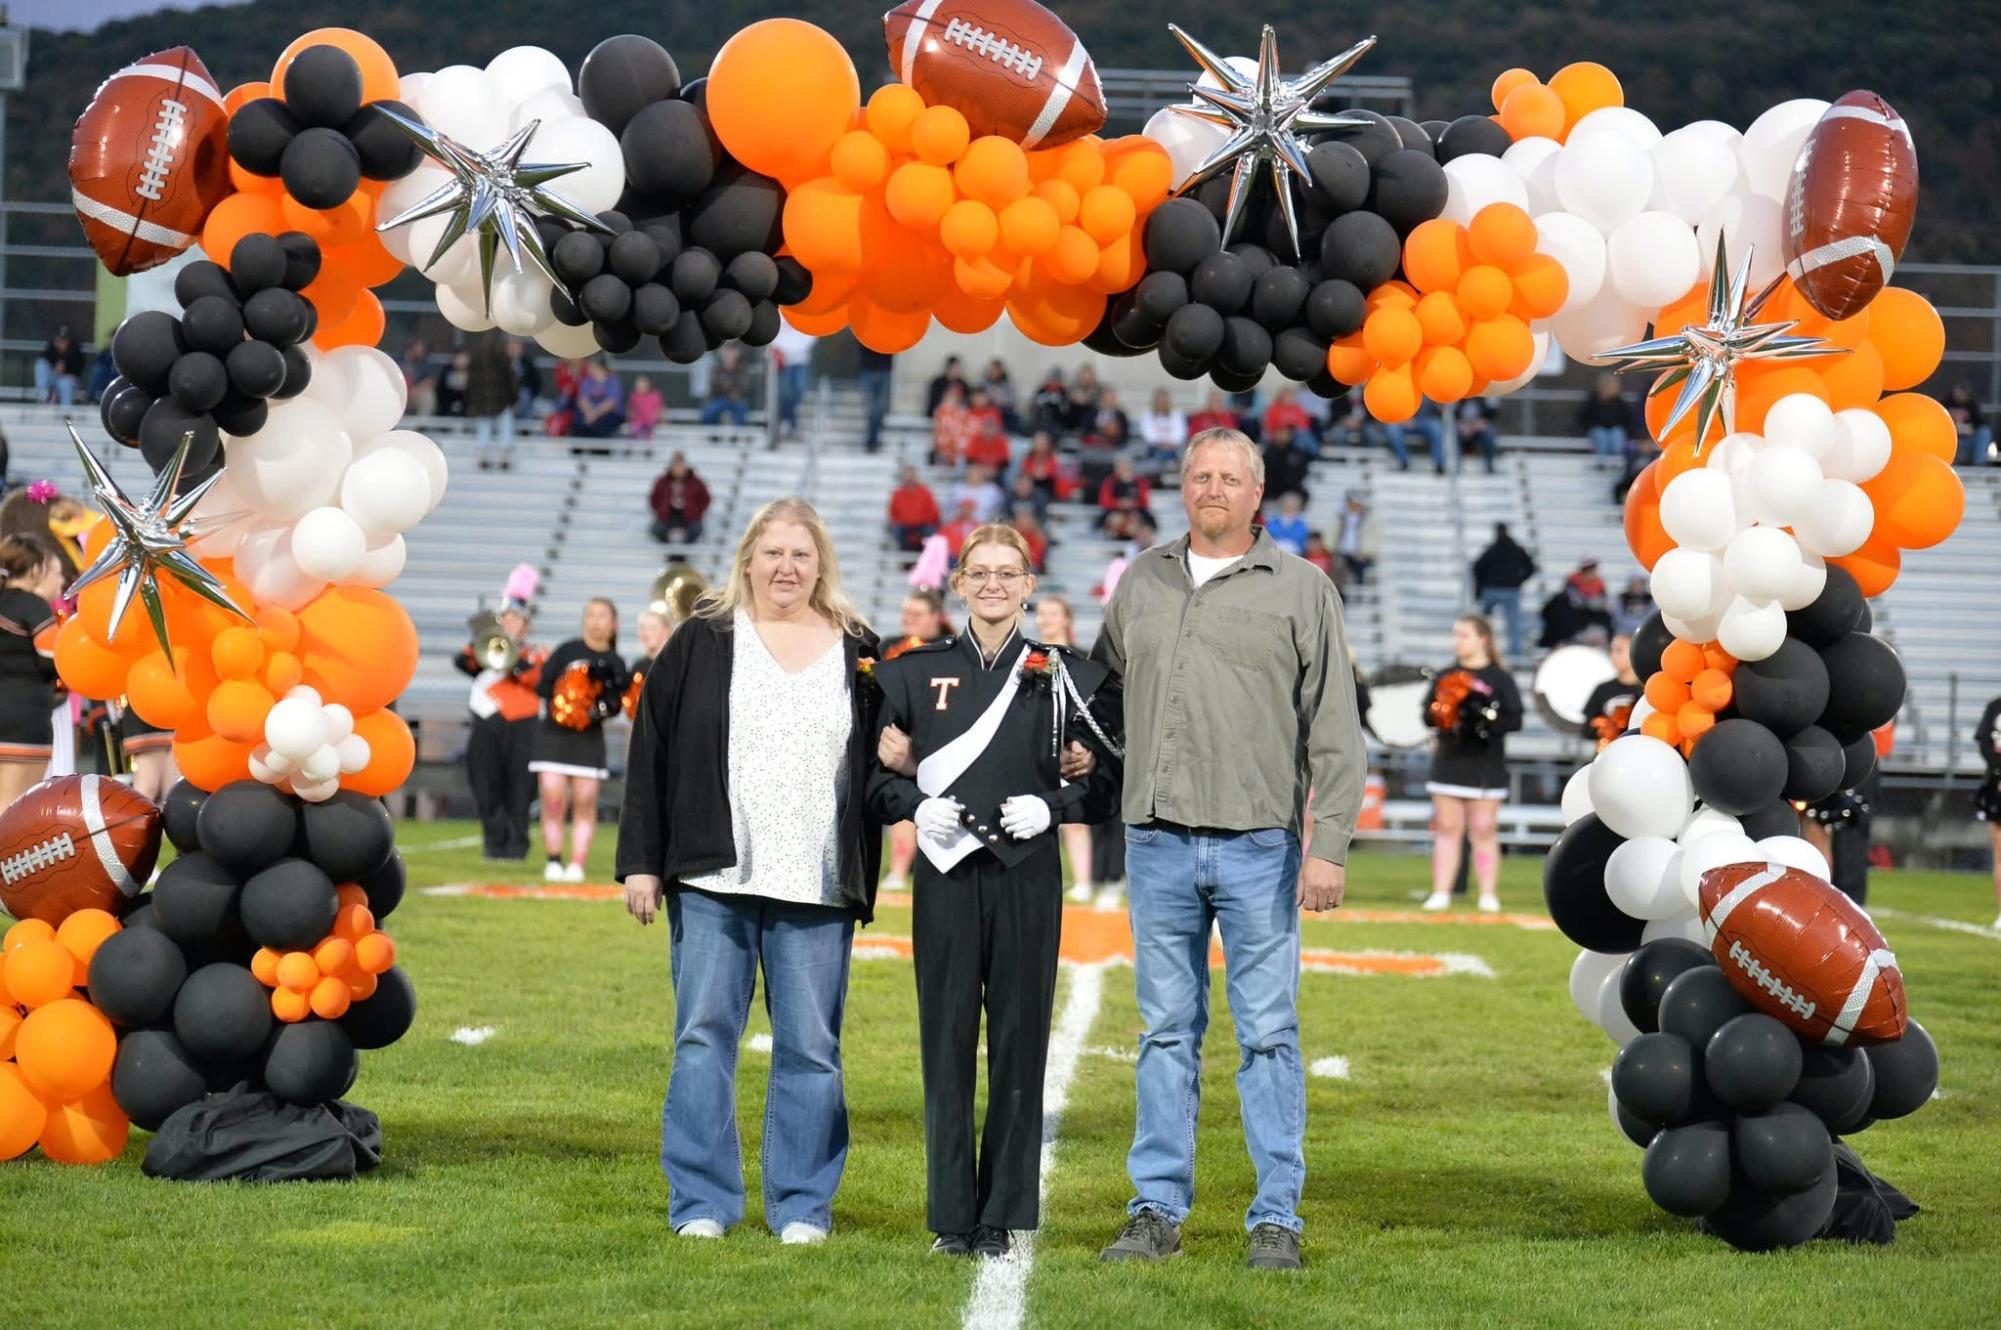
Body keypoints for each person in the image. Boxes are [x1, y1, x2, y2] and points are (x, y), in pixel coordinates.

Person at [1092, 428, 1365, 1272]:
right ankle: (1154, 1210)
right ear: (1183, 488)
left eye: (1229, 477)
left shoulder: (1302, 588)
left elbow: (1334, 727)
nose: (1213, 487)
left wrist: (1330, 846)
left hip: (1259, 845)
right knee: (1165, 1033)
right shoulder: (1140, 579)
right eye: (1199, 475)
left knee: (1269, 1035)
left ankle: (1274, 1215)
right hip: (1157, 839)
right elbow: (1100, 698)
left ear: (1256, 493)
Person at [617, 498, 883, 1245]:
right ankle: (701, 1202)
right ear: (747, 560)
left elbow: (888, 750)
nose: (786, 568)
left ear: (821, 564)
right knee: (703, 1038)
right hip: (712, 880)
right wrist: (640, 862)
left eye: (801, 555)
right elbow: (652, 750)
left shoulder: (858, 646)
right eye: (773, 554)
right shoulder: (700, 640)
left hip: (818, 883)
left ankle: (801, 1204)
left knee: (811, 1050)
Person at [868, 524, 1120, 1260]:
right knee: (944, 1043)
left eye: (1007, 574)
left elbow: (1105, 782)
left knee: (1019, 1041)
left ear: (1029, 584)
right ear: (958, 584)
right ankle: (951, 1214)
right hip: (943, 877)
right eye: (979, 573)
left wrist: (1058, 807)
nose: (992, 586)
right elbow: (873, 780)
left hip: (1026, 877)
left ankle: (1002, 1214)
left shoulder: (1069, 673)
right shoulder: (912, 671)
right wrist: (914, 803)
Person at [1421, 616, 1523, 913]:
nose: (1458, 641)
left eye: (1464, 635)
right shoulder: (1446, 675)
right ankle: (1441, 892)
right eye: (1456, 635)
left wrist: (1484, 720)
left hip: (1485, 764)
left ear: (1483, 639)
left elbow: (1514, 718)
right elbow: (1427, 716)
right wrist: (1447, 715)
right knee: (1447, 828)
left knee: (1483, 828)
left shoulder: (1499, 678)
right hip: (1450, 761)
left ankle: (1488, 895)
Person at [530, 597, 630, 881]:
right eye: (591, 615)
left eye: (602, 616)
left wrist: (597, 708)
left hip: (588, 741)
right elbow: (543, 686)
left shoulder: (615, 661)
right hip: (554, 736)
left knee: (585, 802)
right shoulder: (567, 650)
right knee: (552, 799)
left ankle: (577, 864)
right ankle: (553, 860)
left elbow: (615, 703)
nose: (596, 621)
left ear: (613, 624)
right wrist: (566, 702)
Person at [455, 566, 548, 861]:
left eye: (517, 620)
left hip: (524, 725)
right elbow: (463, 662)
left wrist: (513, 656)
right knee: (486, 784)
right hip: (487, 723)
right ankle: (493, 846)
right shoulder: (485, 652)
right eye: (506, 618)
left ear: (527, 627)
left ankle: (517, 847)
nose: (510, 624)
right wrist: (486, 640)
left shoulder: (535, 653)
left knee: (521, 789)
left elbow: (537, 680)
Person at [878, 589, 954, 895]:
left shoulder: (949, 650)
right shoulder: (890, 645)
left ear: (936, 617)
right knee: (902, 806)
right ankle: (898, 868)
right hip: (896, 737)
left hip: (935, 741)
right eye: (906, 612)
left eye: (916, 614)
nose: (908, 619)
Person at [1033, 594, 1101, 904]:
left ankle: (1083, 880)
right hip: (1034, 745)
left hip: (1070, 745)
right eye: (1042, 613)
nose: (1046, 619)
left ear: (1067, 619)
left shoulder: (1082, 658)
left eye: (1053, 613)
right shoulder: (1028, 656)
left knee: (1072, 819)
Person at [0, 535, 63, 810]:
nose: (61, 583)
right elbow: (54, 657)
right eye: (57, 574)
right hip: (23, 719)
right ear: (37, 570)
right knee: (14, 810)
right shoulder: (32, 605)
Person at [1471, 523, 1537, 658]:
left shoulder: (1492, 549)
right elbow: (1531, 567)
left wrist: (1478, 590)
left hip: (1492, 589)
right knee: (1513, 621)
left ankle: (1480, 647)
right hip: (1510, 590)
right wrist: (1519, 580)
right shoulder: (1516, 549)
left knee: (1484, 621)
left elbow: (1477, 568)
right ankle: (1515, 650)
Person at [1579, 633, 1641, 747]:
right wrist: (1605, 728)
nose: (1613, 656)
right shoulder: (1603, 689)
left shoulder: (1646, 689)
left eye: (1619, 650)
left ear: (1634, 651)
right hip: (1606, 754)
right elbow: (1586, 729)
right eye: (1611, 650)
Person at [467, 333, 518, 470]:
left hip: (481, 402)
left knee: (484, 429)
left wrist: (470, 402)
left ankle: (483, 457)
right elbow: (511, 381)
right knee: (505, 427)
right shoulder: (503, 359)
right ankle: (504, 457)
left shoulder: (475, 359)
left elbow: (470, 384)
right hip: (501, 400)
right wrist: (514, 400)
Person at [649, 452, 711, 545]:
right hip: (668, 515)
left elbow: (705, 499)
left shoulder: (696, 482)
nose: (679, 469)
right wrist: (660, 510)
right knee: (657, 529)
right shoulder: (662, 481)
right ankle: (670, 551)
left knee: (695, 530)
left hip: (690, 516)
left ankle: (684, 553)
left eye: (681, 466)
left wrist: (698, 512)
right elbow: (654, 498)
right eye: (676, 466)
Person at [1977, 695, 2001, 928]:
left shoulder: (1995, 707)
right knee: (2000, 852)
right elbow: (1984, 743)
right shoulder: (1994, 706)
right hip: (1997, 786)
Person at [1579, 375, 1637, 469]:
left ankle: (1615, 460)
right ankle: (1601, 462)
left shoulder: (1620, 403)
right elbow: (1584, 418)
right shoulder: (1592, 401)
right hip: (1597, 430)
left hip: (1614, 430)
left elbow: (1628, 420)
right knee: (1601, 435)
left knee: (1616, 434)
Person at [771, 324, 817, 437]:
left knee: (799, 391)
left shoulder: (804, 313)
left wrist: (796, 349)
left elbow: (813, 333)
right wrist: (784, 349)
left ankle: (786, 420)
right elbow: (772, 333)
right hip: (784, 361)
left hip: (801, 361)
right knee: (785, 393)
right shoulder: (780, 312)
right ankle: (790, 423)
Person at [889, 466, 942, 552]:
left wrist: (919, 521)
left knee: (929, 531)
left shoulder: (925, 492)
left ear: (916, 477)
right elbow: (893, 513)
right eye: (907, 476)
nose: (909, 478)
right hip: (904, 525)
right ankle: (905, 556)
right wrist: (905, 521)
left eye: (912, 475)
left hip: (922, 524)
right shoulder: (897, 494)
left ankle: (925, 554)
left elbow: (932, 512)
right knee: (897, 531)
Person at [1096, 456, 1151, 540]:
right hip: (1114, 509)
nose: (1123, 469)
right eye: (1120, 467)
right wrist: (1118, 503)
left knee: (1146, 521)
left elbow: (1145, 501)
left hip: (1136, 509)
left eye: (1125, 466)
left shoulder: (1140, 482)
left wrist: (1133, 503)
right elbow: (1104, 501)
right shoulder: (1110, 481)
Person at [1138, 389, 1189, 476]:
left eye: (1164, 401)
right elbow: (1148, 435)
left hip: (1173, 449)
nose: (1162, 403)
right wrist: (1161, 442)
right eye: (1159, 401)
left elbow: (1180, 434)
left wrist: (1168, 443)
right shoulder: (1147, 415)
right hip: (1155, 448)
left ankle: (1171, 464)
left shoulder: (1177, 415)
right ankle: (1168, 465)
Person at [1332, 492, 1379, 586]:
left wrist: (1365, 552)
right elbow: (1332, 534)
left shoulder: (1368, 521)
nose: (1354, 507)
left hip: (1360, 554)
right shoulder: (1340, 518)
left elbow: (1373, 539)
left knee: (1359, 566)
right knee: (1338, 566)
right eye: (1352, 504)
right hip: (1342, 551)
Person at [574, 359, 626, 443]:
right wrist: (589, 413)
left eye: (592, 367)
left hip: (610, 413)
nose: (590, 370)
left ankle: (600, 453)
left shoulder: (612, 381)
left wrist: (594, 414)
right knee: (579, 423)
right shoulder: (587, 381)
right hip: (590, 413)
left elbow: (611, 403)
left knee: (600, 426)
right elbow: (583, 399)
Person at [702, 345, 753, 427]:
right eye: (727, 352)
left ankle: (738, 437)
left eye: (732, 352)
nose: (729, 355)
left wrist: (730, 388)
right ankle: (713, 437)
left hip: (737, 399)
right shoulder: (716, 369)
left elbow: (746, 387)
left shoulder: (742, 369)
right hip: (719, 399)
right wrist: (728, 386)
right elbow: (713, 387)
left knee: (741, 410)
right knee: (709, 411)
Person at [1393, 400, 1450, 473]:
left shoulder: (1430, 389)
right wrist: (1404, 420)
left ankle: (1439, 464)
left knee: (1437, 428)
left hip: (1426, 420)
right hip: (1404, 420)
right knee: (1393, 428)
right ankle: (1403, 462)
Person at [1262, 426, 1313, 505]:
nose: (1281, 436)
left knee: (1292, 499)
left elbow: (1301, 473)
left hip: (1290, 490)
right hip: (1270, 491)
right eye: (1279, 433)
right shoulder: (1268, 453)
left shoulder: (1296, 453)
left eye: (1284, 433)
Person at [35, 327, 85, 408]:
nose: (60, 343)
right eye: (58, 340)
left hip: (68, 381)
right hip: (52, 379)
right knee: (41, 364)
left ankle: (65, 413)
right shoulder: (51, 350)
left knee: (65, 384)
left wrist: (65, 362)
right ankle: (43, 397)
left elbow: (76, 373)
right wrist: (57, 366)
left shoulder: (75, 352)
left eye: (64, 340)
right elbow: (43, 358)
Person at [1943, 383, 1990, 468]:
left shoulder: (1971, 405)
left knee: (1984, 432)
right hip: (1952, 440)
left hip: (1968, 440)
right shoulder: (1946, 403)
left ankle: (1979, 466)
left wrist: (1967, 428)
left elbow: (1980, 424)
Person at [932, 384, 976, 469]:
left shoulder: (964, 412)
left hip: (959, 450)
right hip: (943, 449)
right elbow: (939, 430)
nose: (953, 398)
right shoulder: (940, 411)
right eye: (951, 395)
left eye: (956, 396)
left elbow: (968, 430)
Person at [860, 347, 894, 453]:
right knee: (873, 409)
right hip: (869, 369)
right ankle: (872, 440)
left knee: (880, 408)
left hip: (884, 369)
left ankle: (874, 438)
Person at [1019, 431, 1065, 505]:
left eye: (1042, 442)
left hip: (1047, 487)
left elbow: (1048, 474)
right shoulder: (1028, 457)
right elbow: (1025, 473)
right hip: (1031, 487)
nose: (1039, 444)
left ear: (1047, 443)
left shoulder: (1052, 457)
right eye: (1037, 441)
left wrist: (1038, 473)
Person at [1455, 397, 1500, 473]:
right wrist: (1462, 424)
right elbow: (1452, 414)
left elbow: (1492, 414)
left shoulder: (1485, 397)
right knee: (1453, 433)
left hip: (1480, 428)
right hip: (1463, 428)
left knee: (1489, 433)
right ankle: (1456, 465)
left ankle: (1489, 464)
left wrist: (1480, 423)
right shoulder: (1458, 397)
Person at [1028, 368, 1070, 438]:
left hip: (1057, 425)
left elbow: (1066, 411)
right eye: (1052, 380)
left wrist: (1058, 404)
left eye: (1056, 380)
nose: (1053, 383)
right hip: (1039, 423)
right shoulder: (1041, 391)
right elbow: (1032, 407)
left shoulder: (1064, 393)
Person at [401, 339, 438, 417]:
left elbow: (430, 381)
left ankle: (419, 426)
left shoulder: (423, 364)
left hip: (414, 395)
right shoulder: (398, 360)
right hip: (398, 394)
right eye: (418, 348)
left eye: (422, 349)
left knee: (428, 396)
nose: (421, 351)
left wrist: (416, 389)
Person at [507, 339, 542, 418]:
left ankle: (526, 421)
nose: (514, 351)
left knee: (524, 394)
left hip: (523, 391)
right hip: (508, 391)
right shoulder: (503, 362)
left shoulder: (527, 362)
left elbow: (535, 380)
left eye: (516, 348)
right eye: (512, 348)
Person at [981, 358, 1018, 432]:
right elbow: (980, 397)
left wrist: (1003, 400)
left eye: (995, 370)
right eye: (991, 370)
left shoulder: (1008, 384)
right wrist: (992, 398)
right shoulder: (984, 383)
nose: (993, 372)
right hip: (989, 411)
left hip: (1005, 412)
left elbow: (1013, 401)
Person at [628, 375, 665, 442]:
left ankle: (648, 448)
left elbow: (659, 410)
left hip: (651, 423)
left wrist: (656, 419)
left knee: (649, 433)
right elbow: (631, 410)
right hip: (638, 422)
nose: (640, 387)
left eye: (642, 385)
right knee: (635, 430)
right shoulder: (633, 396)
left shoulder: (655, 396)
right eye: (638, 385)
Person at [435, 349, 470, 418]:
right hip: (446, 408)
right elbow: (441, 391)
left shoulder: (472, 373)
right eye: (459, 358)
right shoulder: (446, 372)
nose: (461, 361)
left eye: (463, 358)